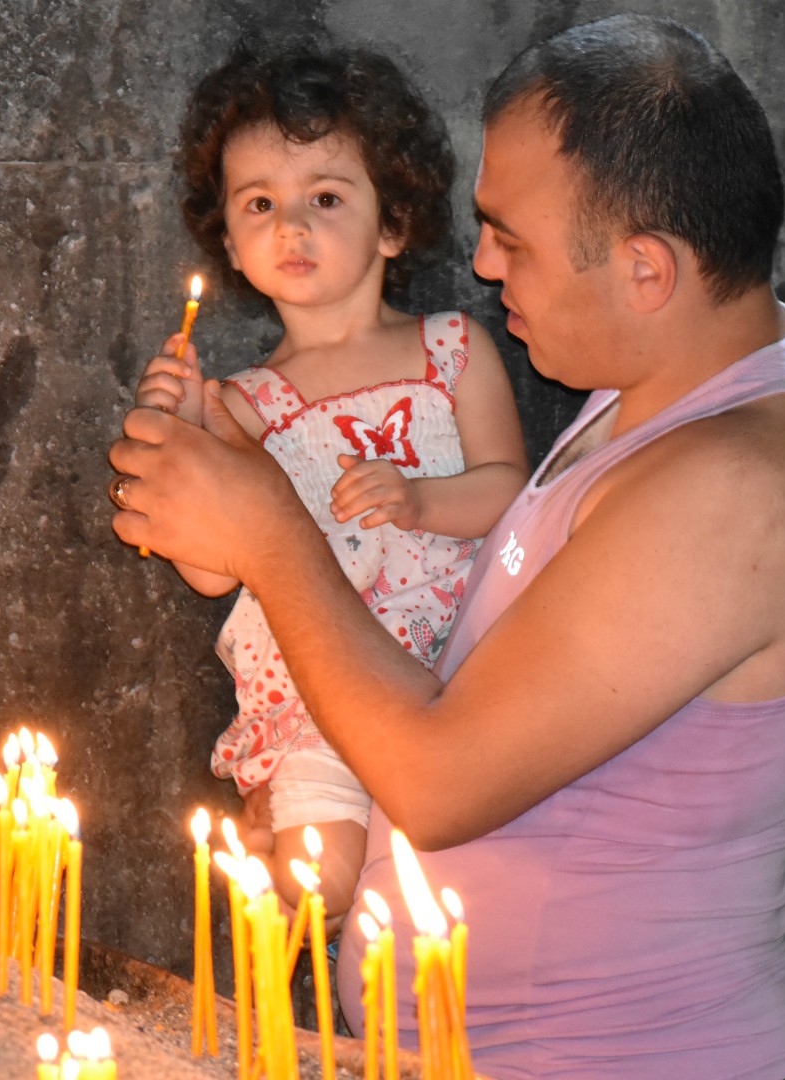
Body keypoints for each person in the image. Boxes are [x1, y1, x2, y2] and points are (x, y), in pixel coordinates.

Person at [110, 15, 785, 1080]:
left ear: (646, 270)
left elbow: (436, 777)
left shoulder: (747, 483)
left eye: (510, 238)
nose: (478, 263)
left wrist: (269, 535)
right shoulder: (663, 383)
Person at [127, 39, 528, 924]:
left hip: (451, 676)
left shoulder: (452, 354)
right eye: (260, 204)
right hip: (317, 693)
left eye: (327, 198)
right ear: (229, 242)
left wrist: (421, 500)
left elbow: (512, 493)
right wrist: (181, 432)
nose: (291, 226)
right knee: (323, 875)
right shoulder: (245, 405)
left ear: (393, 222)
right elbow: (214, 573)